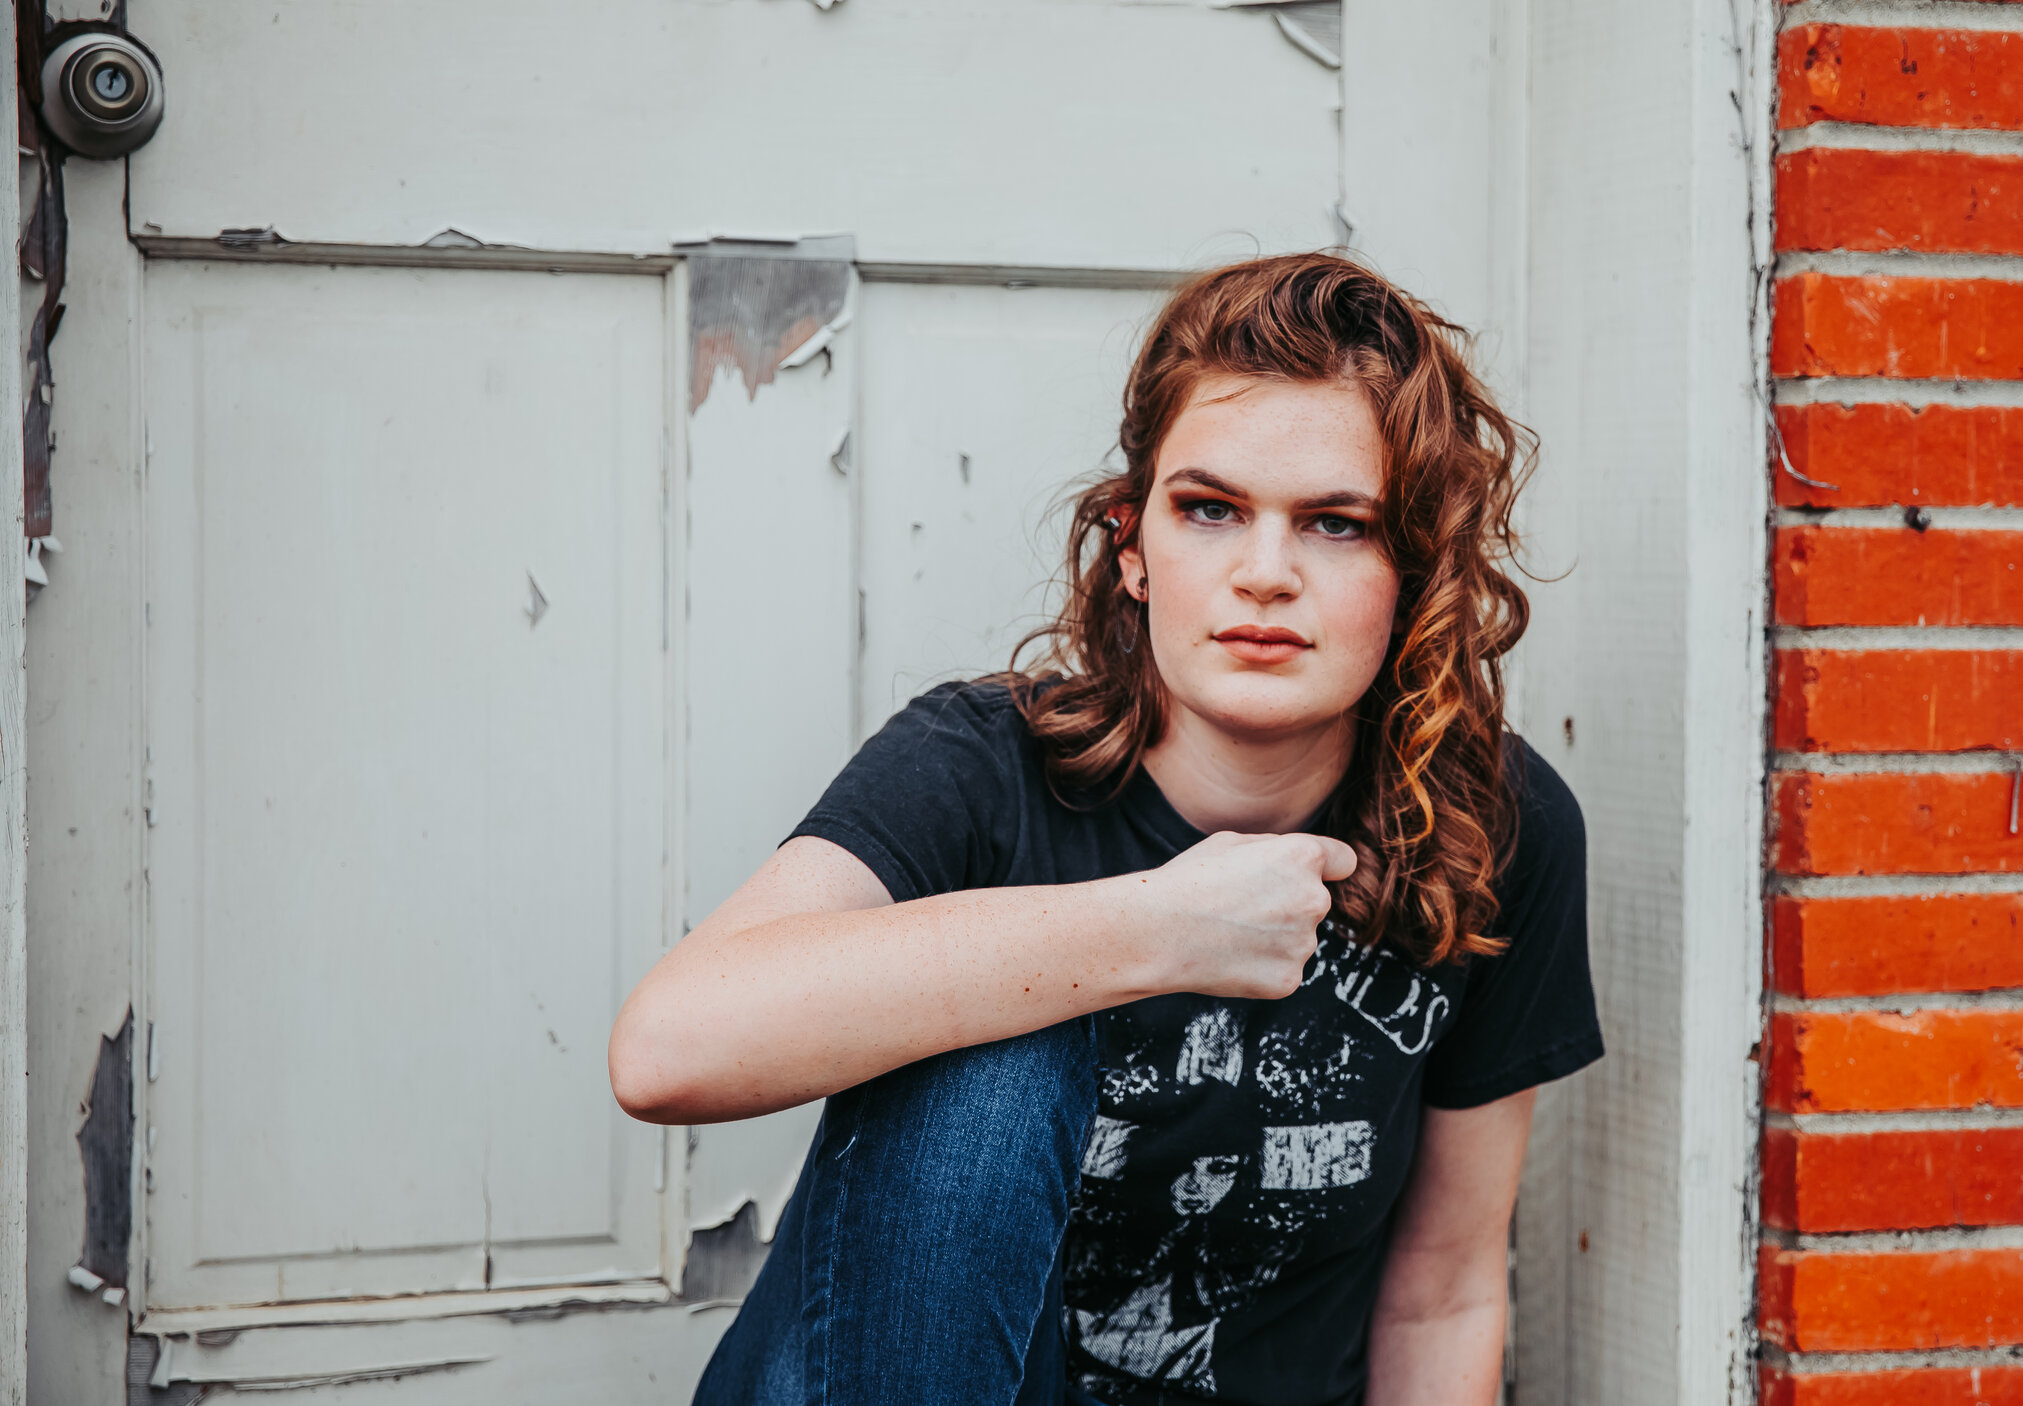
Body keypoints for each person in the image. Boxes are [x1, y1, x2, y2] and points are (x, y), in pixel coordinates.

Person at [609, 252, 1602, 1406]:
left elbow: (1445, 1284)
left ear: (1412, 565)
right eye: (1210, 509)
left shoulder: (1491, 826)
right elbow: (666, 1048)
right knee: (995, 1042)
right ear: (1133, 545)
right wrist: (1154, 929)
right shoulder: (980, 767)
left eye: (1335, 524)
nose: (1264, 574)